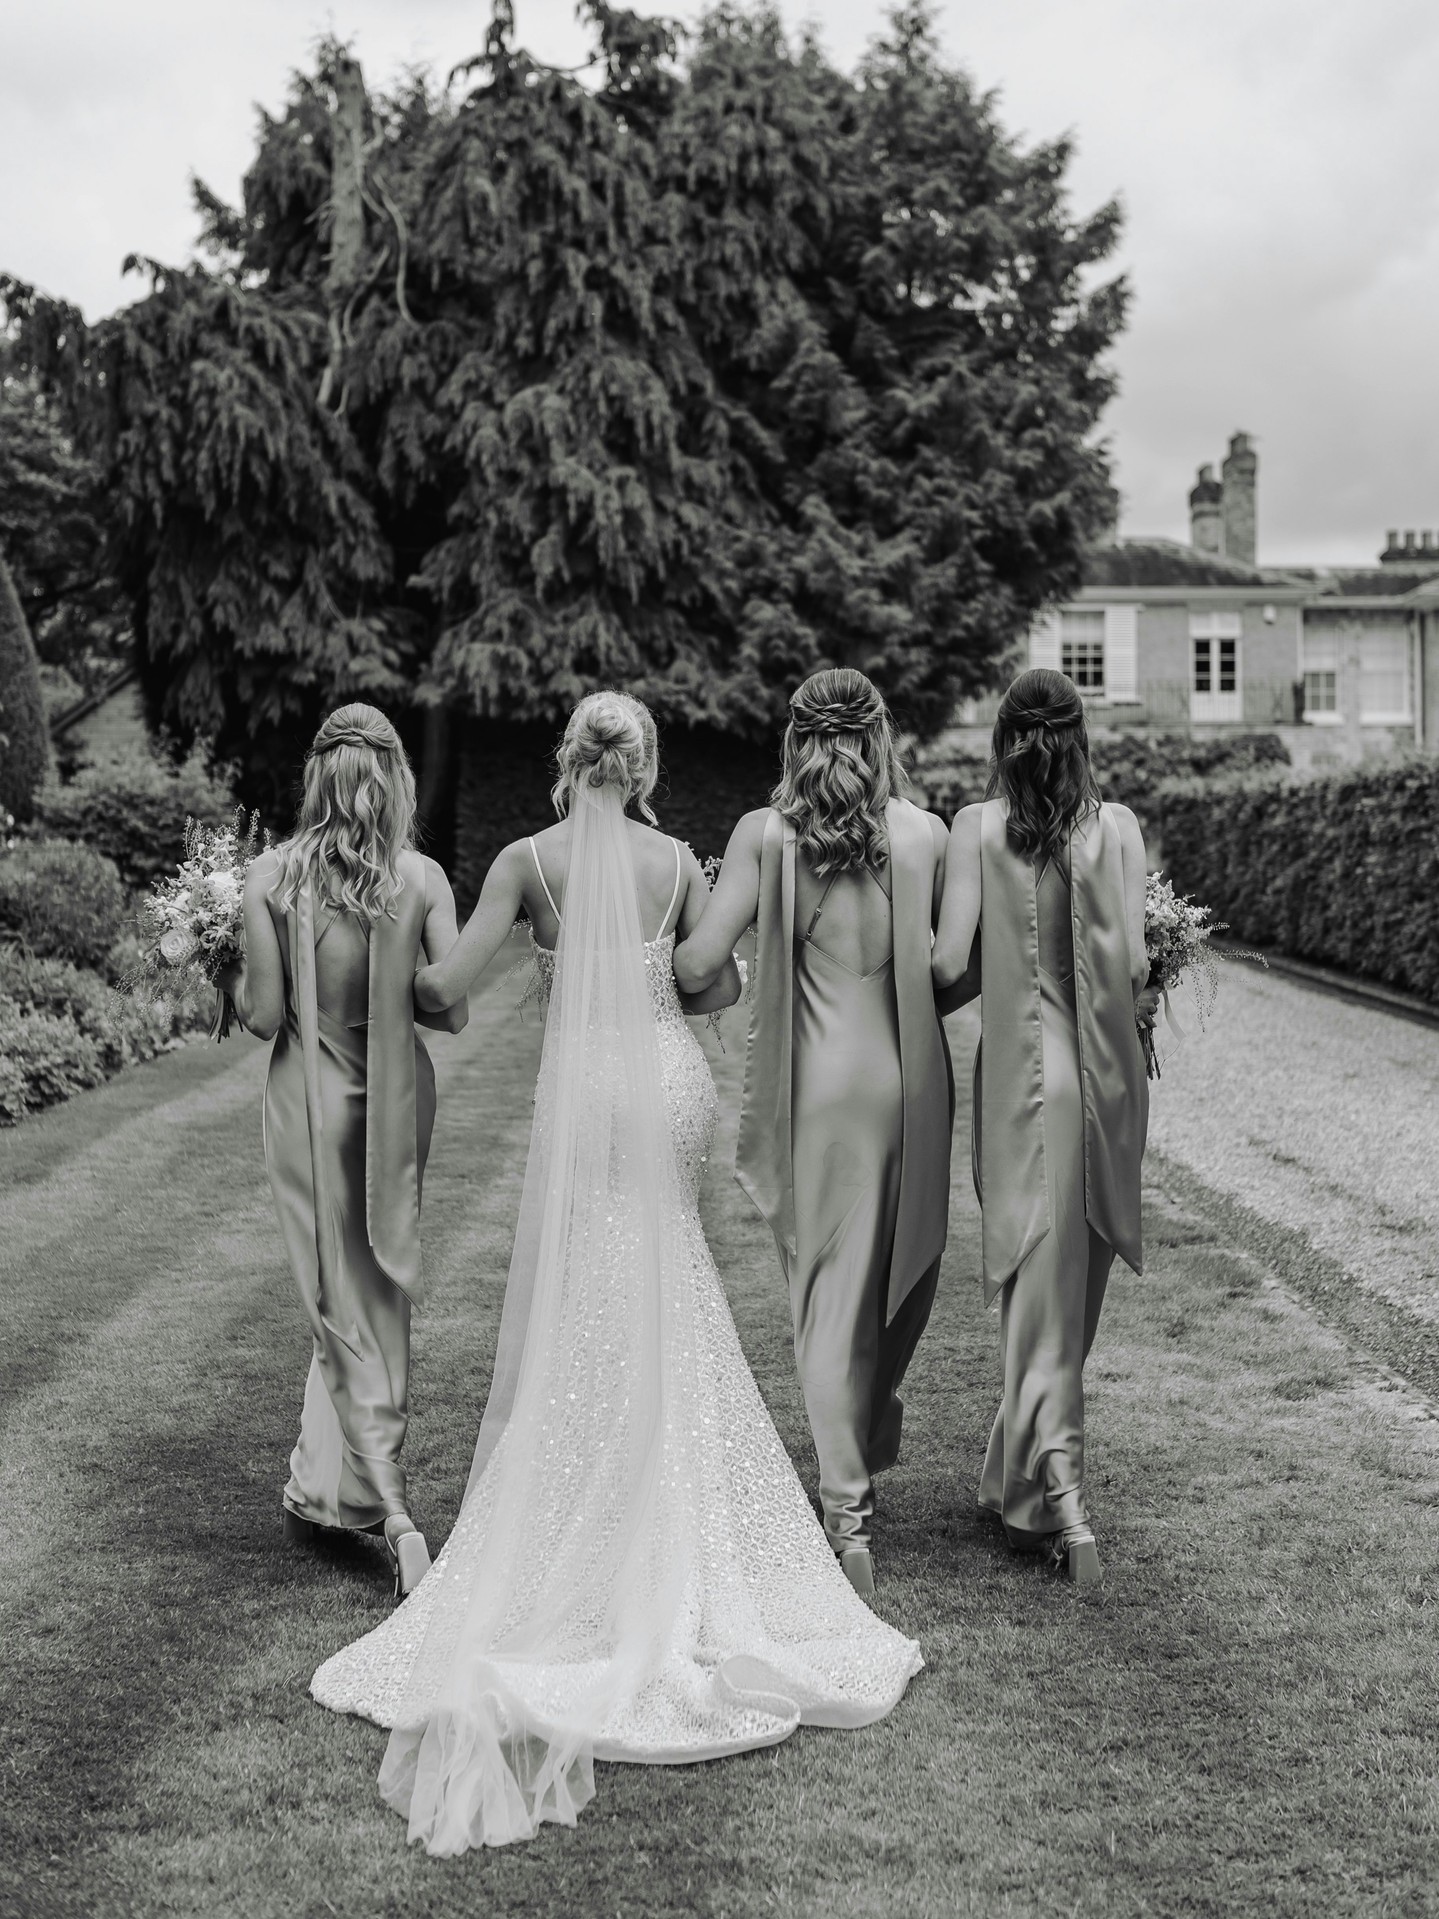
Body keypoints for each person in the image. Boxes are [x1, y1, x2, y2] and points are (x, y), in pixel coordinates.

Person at [307, 690, 922, 1855]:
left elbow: (443, 989)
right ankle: (669, 1512)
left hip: (584, 1085)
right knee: (666, 1270)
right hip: (666, 1079)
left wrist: (428, 966)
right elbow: (712, 983)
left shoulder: (527, 862)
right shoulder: (678, 861)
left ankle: (579, 1513)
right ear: (641, 764)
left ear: (563, 761)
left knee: (589, 1278)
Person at [673, 668, 967, 1598]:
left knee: (824, 1297)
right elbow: (952, 972)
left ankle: (846, 1513)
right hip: (909, 1086)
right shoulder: (926, 833)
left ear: (794, 740)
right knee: (902, 1269)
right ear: (880, 736)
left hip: (816, 1096)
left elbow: (694, 964)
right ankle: (866, 1426)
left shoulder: (765, 839)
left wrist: (654, 919)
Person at [218, 703, 468, 1598]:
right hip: (397, 1104)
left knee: (334, 1299)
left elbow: (264, 1015)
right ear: (395, 779)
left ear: (317, 778)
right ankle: (321, 1483)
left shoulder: (272, 875)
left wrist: (229, 959)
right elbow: (450, 1006)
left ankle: (394, 1515)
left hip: (311, 1106)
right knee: (377, 1292)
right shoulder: (424, 876)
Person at [931, 668, 1154, 1586]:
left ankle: (1059, 1496)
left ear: (1002, 738)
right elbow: (1134, 965)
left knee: (1037, 1291)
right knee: (1069, 1295)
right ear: (1081, 736)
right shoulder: (1122, 829)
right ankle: (1019, 1486)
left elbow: (949, 967)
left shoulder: (974, 831)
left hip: (1024, 1089)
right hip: (1106, 1086)